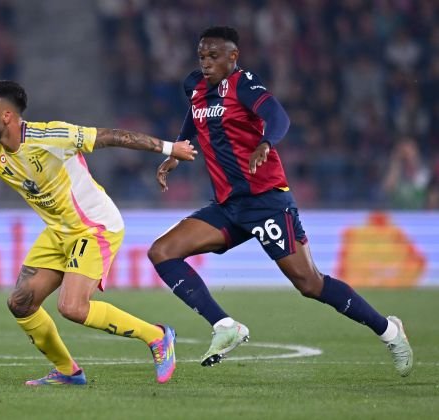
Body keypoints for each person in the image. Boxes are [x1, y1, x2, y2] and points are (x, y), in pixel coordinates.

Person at [147, 26, 413, 377]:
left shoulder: (243, 84)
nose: (206, 63)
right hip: (228, 206)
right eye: (201, 57)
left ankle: (389, 331)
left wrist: (266, 143)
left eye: (213, 56)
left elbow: (278, 116)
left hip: (266, 201)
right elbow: (193, 117)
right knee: (162, 252)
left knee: (310, 283)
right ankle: (225, 326)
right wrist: (176, 152)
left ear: (233, 57)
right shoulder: (195, 86)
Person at [0, 80, 198, 385]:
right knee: (21, 303)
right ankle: (68, 371)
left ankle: (157, 336)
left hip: (95, 225)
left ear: (6, 115)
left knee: (72, 307)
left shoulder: (51, 136)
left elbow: (111, 136)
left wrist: (170, 148)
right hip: (58, 231)